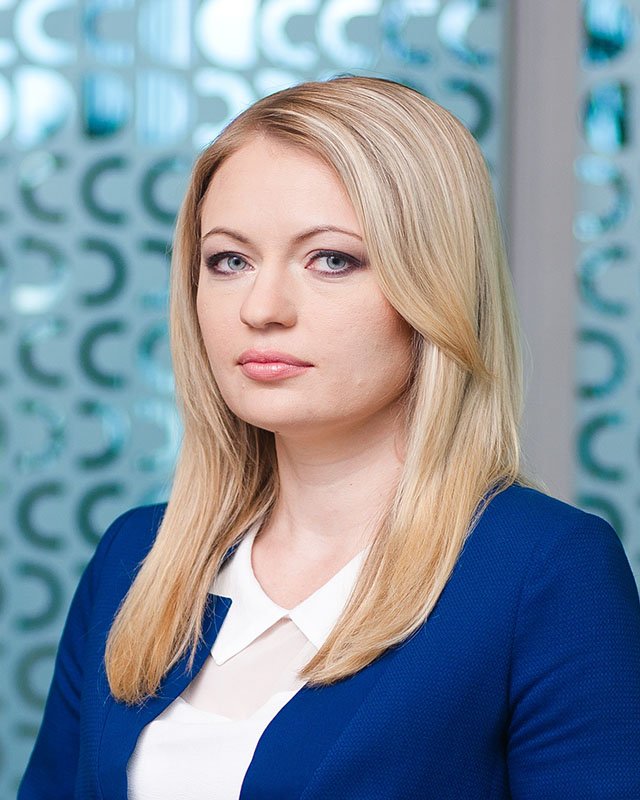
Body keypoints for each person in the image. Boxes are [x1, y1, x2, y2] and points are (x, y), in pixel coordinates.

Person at [18, 76, 640, 799]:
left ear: (433, 287)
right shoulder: (137, 557)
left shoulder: (544, 570)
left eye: (332, 260)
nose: (262, 308)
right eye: (229, 261)